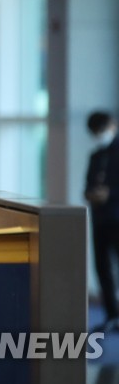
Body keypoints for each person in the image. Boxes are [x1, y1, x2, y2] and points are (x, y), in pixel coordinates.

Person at [86, 110, 119, 332]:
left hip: (117, 216)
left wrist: (110, 194)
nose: (100, 135)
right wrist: (91, 194)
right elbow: (88, 184)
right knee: (102, 267)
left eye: (101, 129)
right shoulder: (96, 156)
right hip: (100, 219)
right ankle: (112, 315)